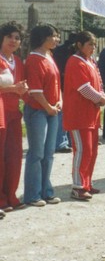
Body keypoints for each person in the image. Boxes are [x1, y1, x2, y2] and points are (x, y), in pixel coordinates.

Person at [62, 31, 105, 200]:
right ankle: (77, 186)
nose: (93, 47)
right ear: (79, 45)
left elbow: (99, 82)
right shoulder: (75, 62)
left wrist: (103, 95)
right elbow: (84, 88)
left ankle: (87, 183)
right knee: (82, 150)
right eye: (90, 44)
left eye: (94, 44)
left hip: (92, 115)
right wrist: (99, 99)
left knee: (92, 151)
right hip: (78, 115)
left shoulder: (91, 62)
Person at [22, 23, 62, 206]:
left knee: (49, 153)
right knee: (36, 153)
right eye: (53, 36)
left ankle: (46, 191)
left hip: (52, 110)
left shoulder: (49, 56)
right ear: (43, 38)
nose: (57, 39)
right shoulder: (33, 59)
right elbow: (36, 91)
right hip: (39, 111)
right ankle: (32, 195)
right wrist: (48, 107)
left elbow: (56, 84)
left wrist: (59, 100)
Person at [0, 22, 28, 214]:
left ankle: (11, 195)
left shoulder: (17, 61)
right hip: (0, 113)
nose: (13, 40)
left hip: (14, 114)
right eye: (10, 36)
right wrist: (13, 89)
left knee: (14, 156)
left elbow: (22, 87)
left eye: (17, 38)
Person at [52, 32, 77, 154]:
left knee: (70, 114)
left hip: (69, 85)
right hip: (63, 86)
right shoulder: (64, 51)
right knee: (63, 114)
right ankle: (61, 142)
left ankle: (70, 140)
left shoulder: (61, 50)